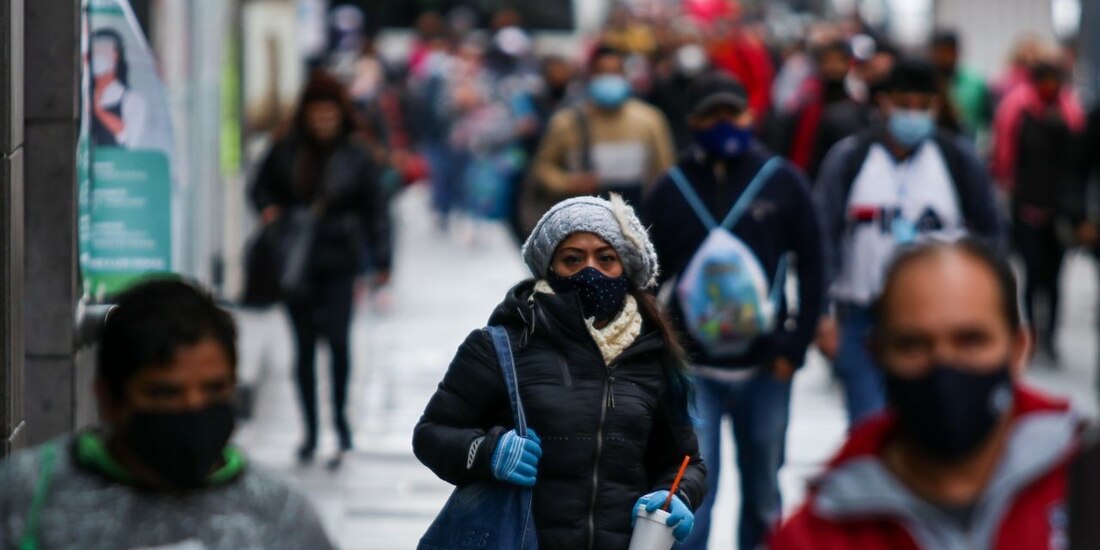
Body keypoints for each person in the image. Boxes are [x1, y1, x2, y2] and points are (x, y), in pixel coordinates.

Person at [413, 195, 706, 549]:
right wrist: (489, 452)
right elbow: (431, 434)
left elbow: (684, 462)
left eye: (606, 258)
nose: (590, 270)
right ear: (549, 268)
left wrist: (677, 497)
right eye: (572, 259)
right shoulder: (499, 346)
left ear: (625, 269)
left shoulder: (652, 354)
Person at [771, 239, 1079, 549]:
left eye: (971, 340)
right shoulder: (816, 537)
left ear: (1019, 348)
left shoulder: (1084, 484)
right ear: (877, 354)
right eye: (913, 345)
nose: (944, 367)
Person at [0, 279, 335, 549]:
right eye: (165, 393)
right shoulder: (27, 497)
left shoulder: (280, 514)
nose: (193, 408)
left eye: (214, 390)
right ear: (108, 398)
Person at [642, 73, 825, 550]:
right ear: (693, 122)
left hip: (767, 368)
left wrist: (795, 345)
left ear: (750, 116)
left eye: (733, 114)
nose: (725, 124)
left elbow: (815, 263)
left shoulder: (782, 181)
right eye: (712, 115)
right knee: (692, 493)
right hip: (693, 370)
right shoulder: (671, 187)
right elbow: (646, 277)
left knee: (764, 491)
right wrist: (656, 351)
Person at [815, 57, 1002, 426]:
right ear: (884, 102)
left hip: (939, 319)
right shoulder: (851, 159)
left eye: (923, 106)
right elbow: (824, 236)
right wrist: (823, 314)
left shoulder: (956, 160)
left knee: (931, 426)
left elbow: (992, 233)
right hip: (864, 316)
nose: (913, 115)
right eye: (904, 105)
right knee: (868, 427)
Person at [250, 70, 393, 467]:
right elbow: (258, 187)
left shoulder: (357, 153)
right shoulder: (286, 148)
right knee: (304, 348)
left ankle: (341, 425)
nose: (323, 122)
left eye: (330, 114)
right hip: (297, 261)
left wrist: (382, 259)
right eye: (317, 114)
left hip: (340, 260)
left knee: (339, 344)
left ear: (341, 114)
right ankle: (310, 430)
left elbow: (377, 209)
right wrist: (270, 211)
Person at [991, 59, 1085, 362]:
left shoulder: (1071, 113)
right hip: (1027, 207)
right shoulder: (1017, 110)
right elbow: (1005, 156)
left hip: (1059, 210)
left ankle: (1051, 338)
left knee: (1055, 277)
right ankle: (1030, 332)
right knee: (1031, 274)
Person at [530, 45, 675, 207]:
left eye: (615, 72)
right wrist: (568, 183)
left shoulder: (649, 120)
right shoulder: (567, 122)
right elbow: (541, 169)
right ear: (590, 76)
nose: (609, 78)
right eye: (602, 72)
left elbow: (664, 172)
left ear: (625, 75)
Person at [930, 29, 993, 144]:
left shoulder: (975, 82)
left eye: (950, 50)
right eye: (941, 51)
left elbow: (986, 121)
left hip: (967, 144)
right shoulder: (927, 81)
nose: (946, 56)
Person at [90, 29, 147, 149]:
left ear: (116, 55)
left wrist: (98, 111)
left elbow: (129, 139)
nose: (97, 54)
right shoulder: (84, 95)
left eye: (102, 49)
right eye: (94, 50)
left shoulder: (132, 99)